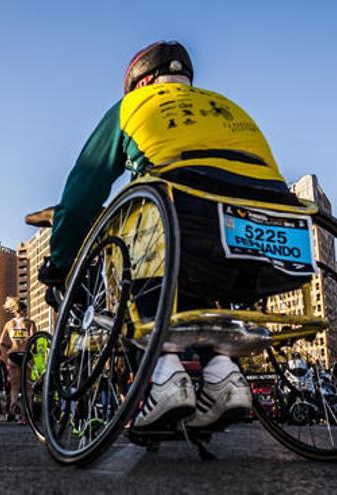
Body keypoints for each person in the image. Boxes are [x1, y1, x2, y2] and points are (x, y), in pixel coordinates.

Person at [40, 41, 275, 430]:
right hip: (256, 226)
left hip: (174, 216)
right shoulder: (224, 104)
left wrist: (61, 261)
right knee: (195, 275)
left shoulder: (133, 107)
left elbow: (82, 193)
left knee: (143, 227)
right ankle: (223, 374)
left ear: (142, 82)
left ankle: (165, 373)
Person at [0, 297, 35, 424]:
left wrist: (10, 347)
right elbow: (33, 340)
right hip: (26, 355)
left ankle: (14, 406)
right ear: (24, 310)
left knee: (14, 388)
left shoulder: (9, 324)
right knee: (28, 389)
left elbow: (2, 341)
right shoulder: (30, 323)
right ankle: (26, 417)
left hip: (13, 355)